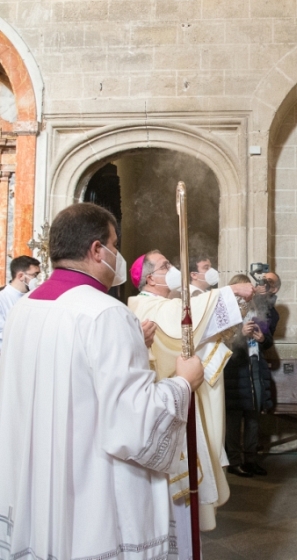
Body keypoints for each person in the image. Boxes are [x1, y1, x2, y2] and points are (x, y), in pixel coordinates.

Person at [0, 202, 205, 560]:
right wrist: (183, 383)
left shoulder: (25, 306)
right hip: (87, 496)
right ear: (97, 250)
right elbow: (135, 425)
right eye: (114, 244)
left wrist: (131, 346)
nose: (118, 255)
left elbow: (61, 369)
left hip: (36, 484)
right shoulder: (107, 312)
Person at [127, 250, 254, 541]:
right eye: (165, 266)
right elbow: (184, 318)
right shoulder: (146, 306)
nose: (172, 269)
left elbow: (189, 329)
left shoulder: (162, 304)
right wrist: (232, 289)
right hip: (166, 406)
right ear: (150, 278)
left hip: (177, 398)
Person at [223, 274, 273, 477]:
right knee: (234, 419)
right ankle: (234, 461)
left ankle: (251, 459)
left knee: (253, 416)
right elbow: (222, 345)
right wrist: (240, 335)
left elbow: (269, 339)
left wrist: (262, 338)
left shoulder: (256, 310)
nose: (247, 295)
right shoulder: (225, 313)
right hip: (235, 368)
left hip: (255, 366)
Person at [0, 255, 40, 350]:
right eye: (35, 275)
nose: (37, 280)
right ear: (21, 276)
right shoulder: (2, 298)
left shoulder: (33, 296)